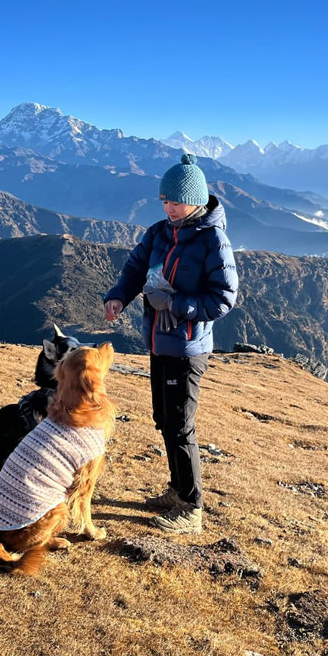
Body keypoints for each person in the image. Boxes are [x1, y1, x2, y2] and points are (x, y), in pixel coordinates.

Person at [103, 153, 238, 534]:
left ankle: (191, 508)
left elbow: (223, 299)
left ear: (196, 200)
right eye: (164, 201)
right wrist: (118, 296)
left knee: (180, 425)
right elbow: (134, 269)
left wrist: (175, 304)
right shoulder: (159, 232)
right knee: (164, 420)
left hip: (187, 348)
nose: (169, 208)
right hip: (158, 344)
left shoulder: (213, 240)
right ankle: (178, 490)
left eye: (175, 202)